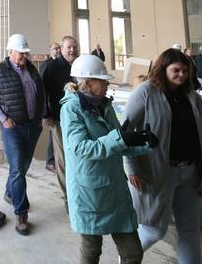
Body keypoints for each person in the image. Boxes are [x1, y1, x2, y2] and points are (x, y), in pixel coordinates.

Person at [124, 48, 202, 264]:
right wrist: (132, 168)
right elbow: (125, 133)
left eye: (185, 71)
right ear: (163, 69)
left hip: (192, 174)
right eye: (176, 70)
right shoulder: (146, 92)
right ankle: (127, 258)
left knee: (191, 232)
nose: (181, 75)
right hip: (158, 174)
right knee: (153, 230)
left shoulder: (193, 97)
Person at [61, 54, 157, 264]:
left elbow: (118, 145)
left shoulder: (104, 105)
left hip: (114, 189)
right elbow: (80, 148)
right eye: (103, 80)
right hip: (89, 193)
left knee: (132, 253)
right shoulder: (71, 108)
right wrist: (120, 138)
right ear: (88, 82)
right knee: (91, 251)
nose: (107, 84)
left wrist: (144, 143)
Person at [0, 33, 44, 236]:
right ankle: (21, 213)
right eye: (21, 53)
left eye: (26, 53)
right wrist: (4, 119)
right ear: (10, 52)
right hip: (12, 127)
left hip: (32, 126)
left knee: (23, 167)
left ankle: (10, 193)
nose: (24, 57)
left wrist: (39, 119)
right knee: (17, 168)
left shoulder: (32, 70)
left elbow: (40, 95)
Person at [42, 36, 78, 197]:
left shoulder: (78, 66)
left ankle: (76, 189)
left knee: (75, 155)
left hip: (77, 118)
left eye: (74, 47)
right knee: (62, 158)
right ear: (62, 49)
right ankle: (67, 196)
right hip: (58, 118)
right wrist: (46, 114)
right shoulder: (52, 67)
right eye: (69, 47)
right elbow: (42, 92)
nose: (72, 50)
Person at [40, 42, 62, 174]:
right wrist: (45, 113)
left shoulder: (60, 65)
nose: (57, 50)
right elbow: (43, 90)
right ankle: (50, 161)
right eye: (55, 48)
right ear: (50, 51)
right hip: (51, 107)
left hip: (59, 106)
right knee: (53, 133)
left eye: (59, 48)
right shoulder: (46, 65)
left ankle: (54, 160)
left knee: (56, 135)